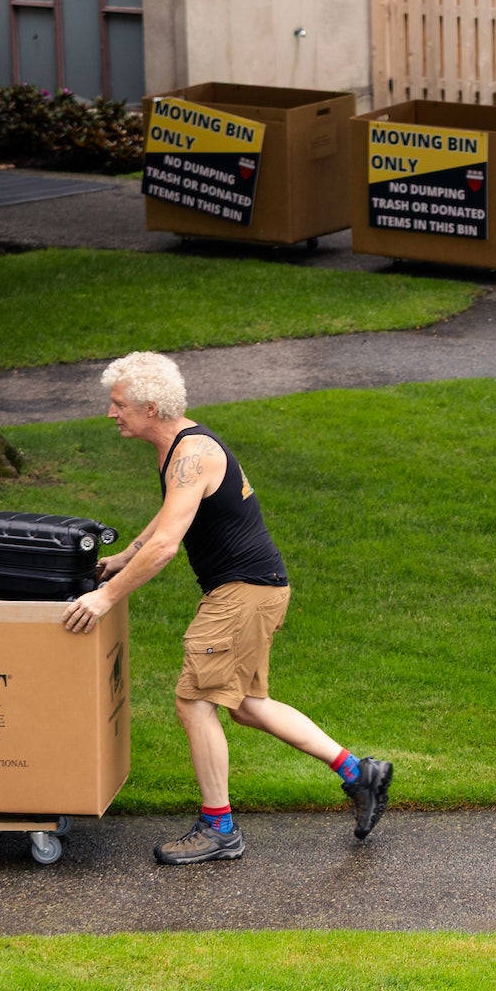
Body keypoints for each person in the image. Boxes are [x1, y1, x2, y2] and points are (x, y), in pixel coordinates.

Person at [62, 352, 393, 864]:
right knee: (243, 706)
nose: (112, 414)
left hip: (242, 592)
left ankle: (219, 828)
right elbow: (172, 513)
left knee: (194, 701)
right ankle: (359, 773)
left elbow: (168, 544)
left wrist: (106, 596)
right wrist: (124, 557)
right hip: (255, 590)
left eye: (119, 404)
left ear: (151, 406)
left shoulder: (193, 453)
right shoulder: (177, 448)